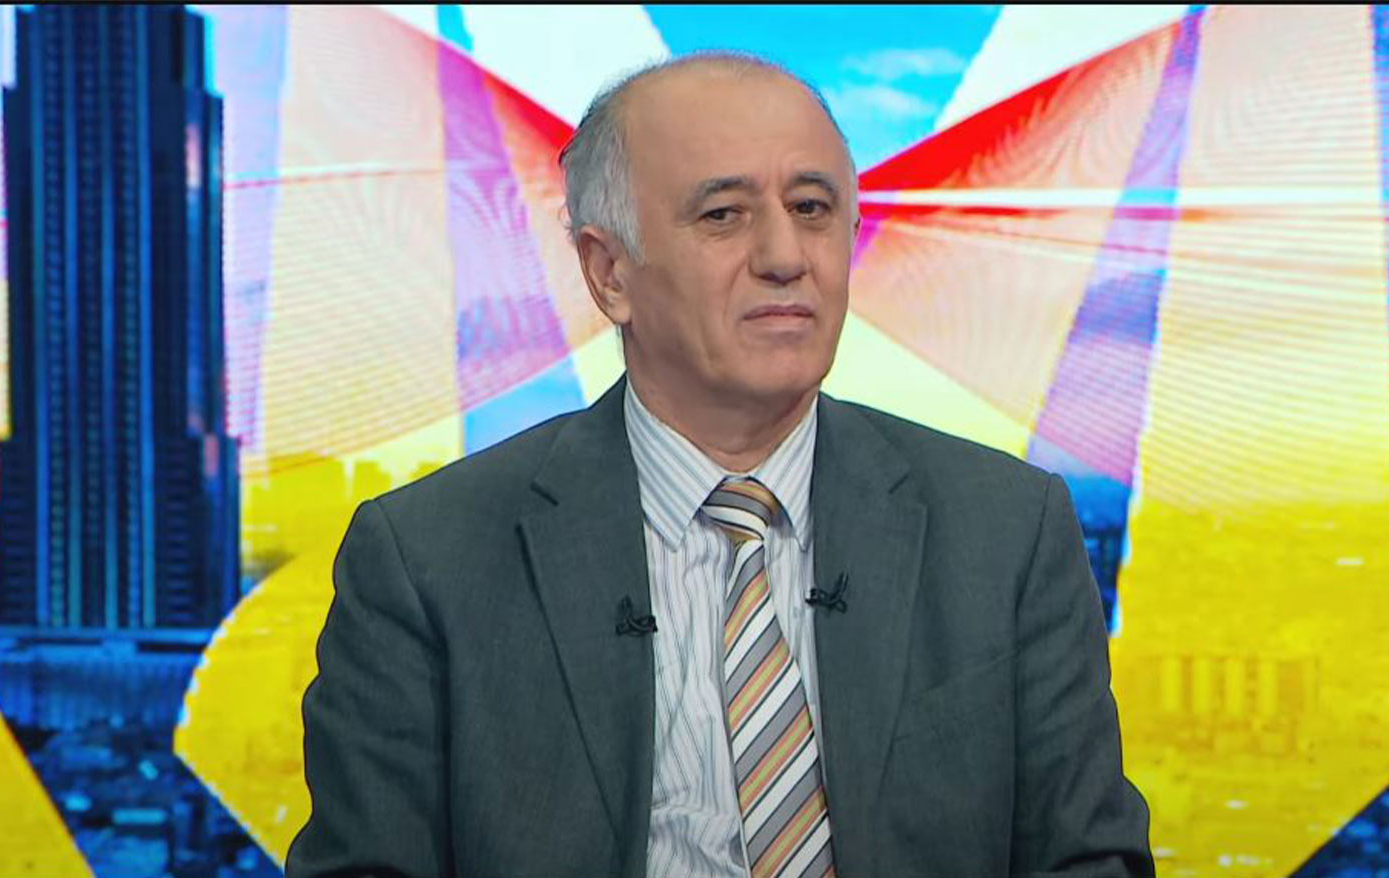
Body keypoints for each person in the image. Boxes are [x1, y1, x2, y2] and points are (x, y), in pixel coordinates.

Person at [285, 51, 1153, 878]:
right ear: (609, 273)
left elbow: (1088, 860)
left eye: (811, 208)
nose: (784, 257)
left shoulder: (1007, 533)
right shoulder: (427, 560)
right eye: (723, 215)